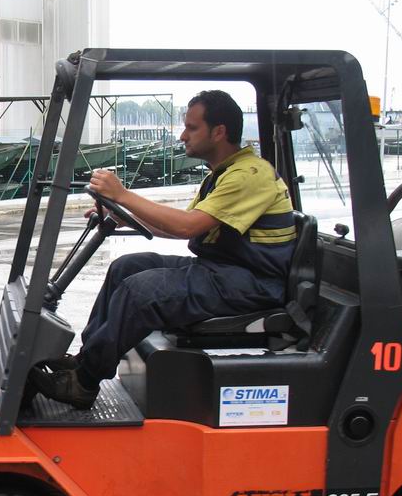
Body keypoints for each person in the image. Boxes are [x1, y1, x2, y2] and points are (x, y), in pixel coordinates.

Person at [29, 90, 296, 409]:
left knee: (141, 291)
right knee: (126, 267)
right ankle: (87, 359)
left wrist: (124, 195)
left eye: (191, 128)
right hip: (225, 272)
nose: (183, 136)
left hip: (252, 283)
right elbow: (180, 226)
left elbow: (186, 226)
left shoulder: (249, 175)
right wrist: (124, 218)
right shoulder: (224, 174)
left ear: (219, 132)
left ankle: (83, 383)